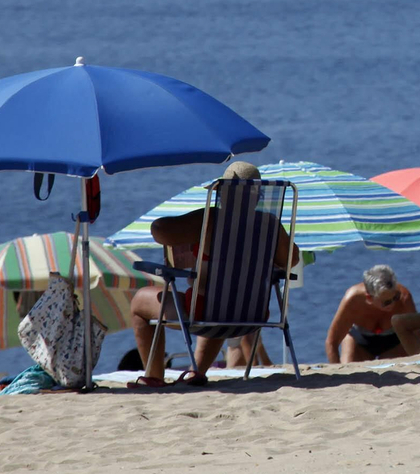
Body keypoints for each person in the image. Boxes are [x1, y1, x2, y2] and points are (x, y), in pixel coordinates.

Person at [127, 161, 296, 386]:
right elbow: (291, 261)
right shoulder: (270, 224)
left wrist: (193, 230)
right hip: (251, 315)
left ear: (223, 193)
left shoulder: (211, 219)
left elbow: (159, 231)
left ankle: (154, 376)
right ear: (258, 196)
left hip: (206, 312)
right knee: (221, 299)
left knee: (140, 301)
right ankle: (197, 371)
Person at [323, 264, 420, 362]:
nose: (392, 304)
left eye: (395, 297)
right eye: (386, 302)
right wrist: (337, 375)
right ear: (369, 298)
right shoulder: (353, 300)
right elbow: (332, 342)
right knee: (351, 370)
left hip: (394, 341)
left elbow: (416, 338)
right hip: (359, 339)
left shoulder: (404, 298)